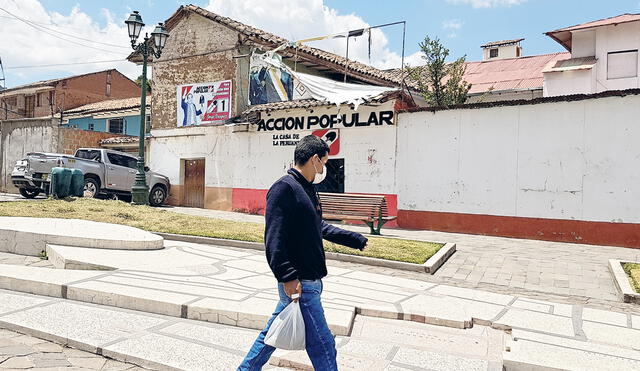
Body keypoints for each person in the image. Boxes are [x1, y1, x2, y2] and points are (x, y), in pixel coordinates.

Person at [238, 135, 368, 371]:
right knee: (324, 345)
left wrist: (354, 239)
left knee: (271, 337)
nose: (324, 168)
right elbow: (273, 239)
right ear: (314, 159)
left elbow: (317, 227)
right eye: (325, 162)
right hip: (300, 282)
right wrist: (287, 276)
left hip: (309, 280)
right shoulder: (284, 188)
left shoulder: (307, 189)